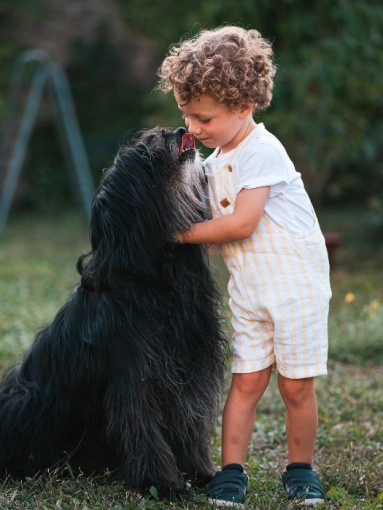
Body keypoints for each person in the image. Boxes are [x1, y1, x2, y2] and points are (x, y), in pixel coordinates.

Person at [157, 26, 331, 508]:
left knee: (296, 387)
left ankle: (301, 470)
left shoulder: (262, 151)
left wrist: (175, 235)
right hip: (251, 291)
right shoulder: (213, 161)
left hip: (296, 288)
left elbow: (240, 224)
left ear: (244, 106)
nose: (192, 127)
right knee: (246, 380)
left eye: (203, 117)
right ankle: (231, 471)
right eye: (185, 115)